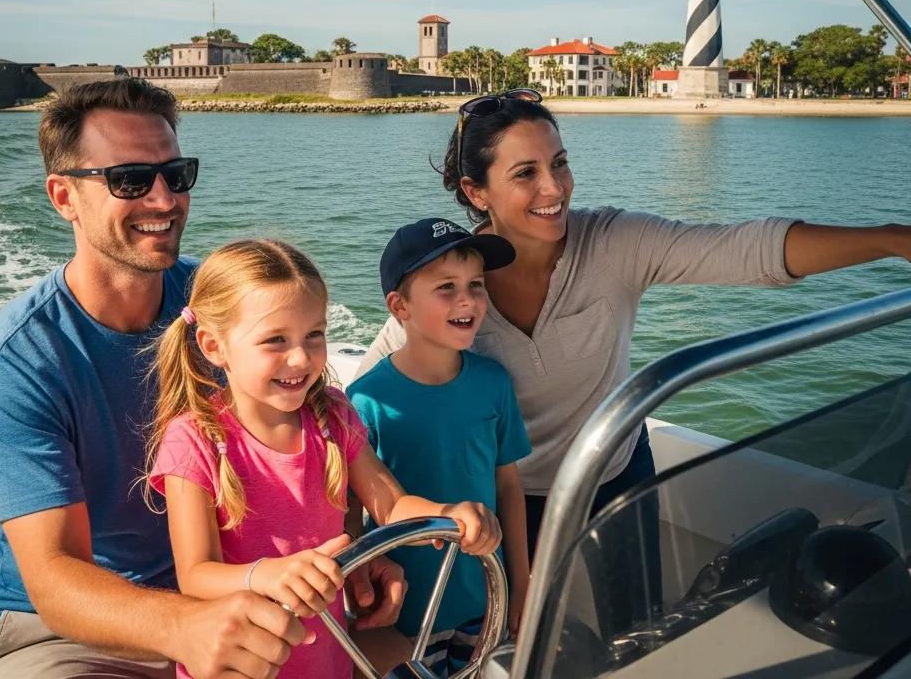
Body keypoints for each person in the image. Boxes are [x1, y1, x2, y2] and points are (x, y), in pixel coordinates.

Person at [356, 88, 911, 633]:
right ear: (477, 193)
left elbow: (747, 248)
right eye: (525, 173)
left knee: (636, 626)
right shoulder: (449, 292)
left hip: (614, 472)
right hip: (507, 496)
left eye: (560, 163)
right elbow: (360, 406)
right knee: (518, 636)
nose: (555, 188)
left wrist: (890, 239)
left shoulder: (614, 242)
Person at [0, 78, 356, 679]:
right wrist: (184, 628)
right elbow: (55, 579)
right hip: (61, 633)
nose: (165, 200)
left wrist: (345, 562)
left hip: (228, 589)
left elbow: (302, 445)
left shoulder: (224, 309)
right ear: (64, 197)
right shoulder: (15, 363)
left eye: (177, 175)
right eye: (129, 180)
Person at [146, 238, 503, 679]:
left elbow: (390, 505)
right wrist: (269, 575)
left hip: (329, 660)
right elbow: (196, 574)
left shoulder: (333, 416)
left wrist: (448, 514)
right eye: (275, 340)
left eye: (314, 334)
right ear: (214, 346)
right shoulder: (194, 440)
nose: (300, 357)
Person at [347, 218, 531, 677]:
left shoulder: (494, 384)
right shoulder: (366, 400)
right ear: (399, 306)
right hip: (404, 611)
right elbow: (350, 508)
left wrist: (522, 587)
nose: (468, 298)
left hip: (485, 597)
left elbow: (508, 488)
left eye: (476, 284)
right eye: (446, 287)